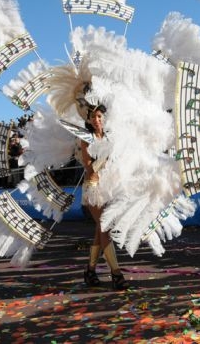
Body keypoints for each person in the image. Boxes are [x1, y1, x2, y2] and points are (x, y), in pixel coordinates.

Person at [80, 105, 128, 290]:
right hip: (93, 187)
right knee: (104, 227)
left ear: (104, 118)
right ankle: (116, 273)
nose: (96, 120)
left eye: (99, 116)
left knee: (100, 231)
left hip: (108, 186)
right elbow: (88, 165)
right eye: (93, 116)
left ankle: (90, 271)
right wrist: (104, 158)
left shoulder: (109, 137)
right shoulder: (86, 138)